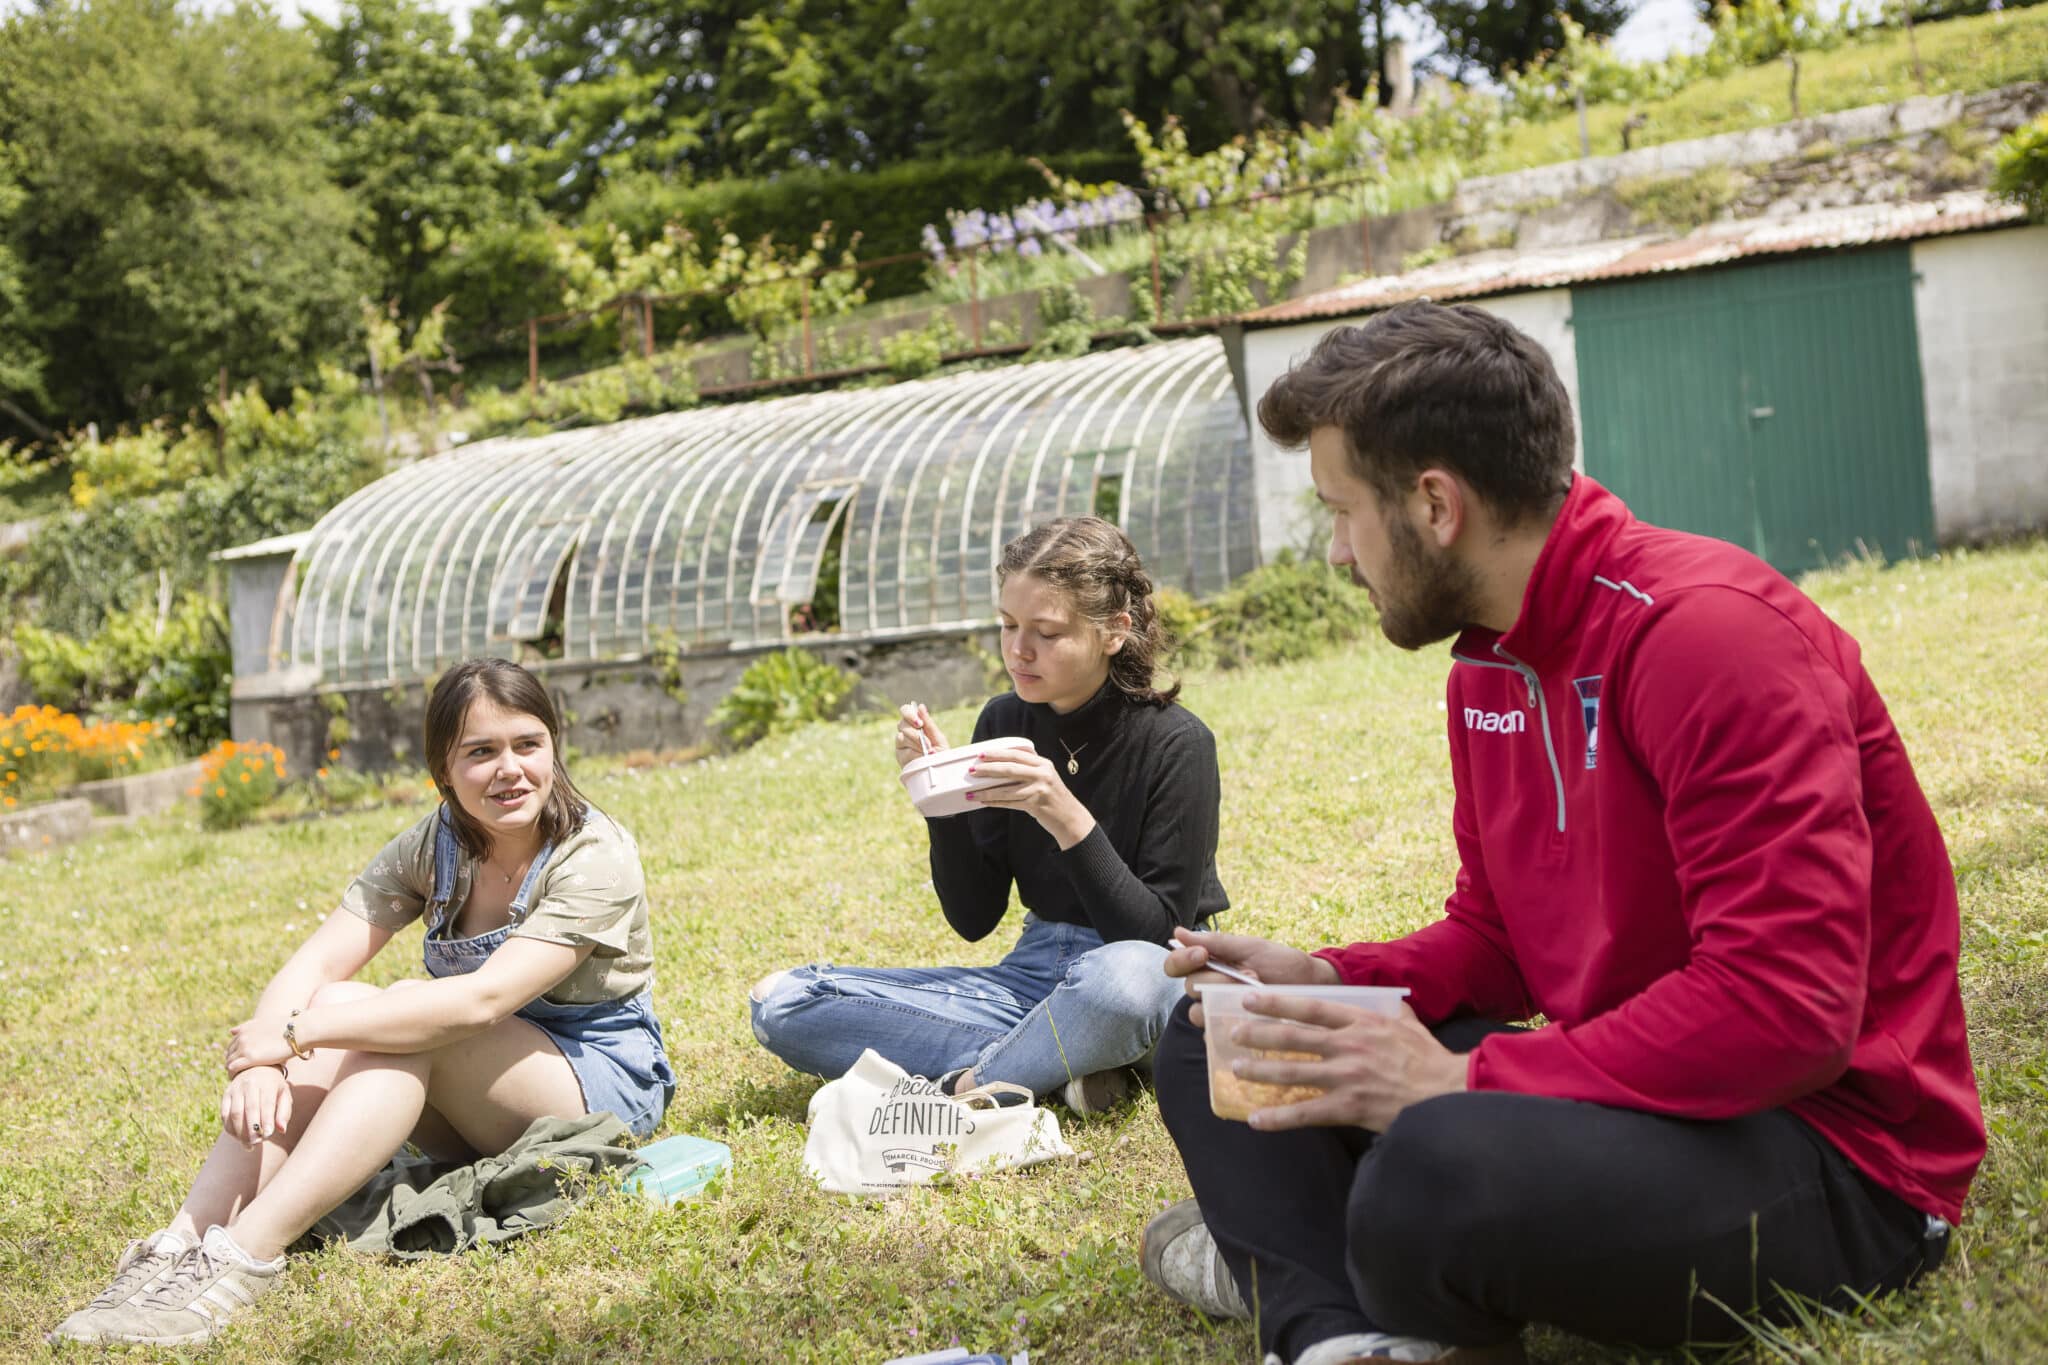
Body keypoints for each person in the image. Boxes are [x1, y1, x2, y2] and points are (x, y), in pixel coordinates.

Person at [1139, 303, 1985, 1365]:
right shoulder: (1490, 657)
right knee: (1225, 1030)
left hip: (1834, 1155)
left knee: (1434, 1163)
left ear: (1434, 504)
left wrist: (1457, 1084)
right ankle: (1332, 1336)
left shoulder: (1708, 637)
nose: (1339, 555)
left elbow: (1786, 1011)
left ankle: (1306, 1245)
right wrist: (1322, 973)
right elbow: (1497, 943)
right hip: (1625, 1098)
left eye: (1341, 513)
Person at [50, 658, 675, 1347]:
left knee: (408, 1014)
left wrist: (296, 1037)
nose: (510, 769)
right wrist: (260, 1061)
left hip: (595, 1083)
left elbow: (481, 1001)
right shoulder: (438, 844)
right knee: (356, 1000)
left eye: (528, 744)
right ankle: (182, 1245)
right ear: (444, 769)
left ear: (554, 746)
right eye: (480, 752)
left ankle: (244, 1258)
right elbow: (319, 960)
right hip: (478, 1081)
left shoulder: (594, 853)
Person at [750, 516, 1228, 1112]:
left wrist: (1062, 813)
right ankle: (1065, 1064)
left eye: (1047, 633)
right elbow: (974, 919)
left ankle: (970, 1090)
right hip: (1030, 975)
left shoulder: (1177, 743)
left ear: (1113, 631)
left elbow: (1157, 938)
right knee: (784, 1001)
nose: (1018, 650)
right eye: (1007, 625)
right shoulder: (1004, 723)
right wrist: (939, 799)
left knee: (1123, 986)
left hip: (1145, 971)